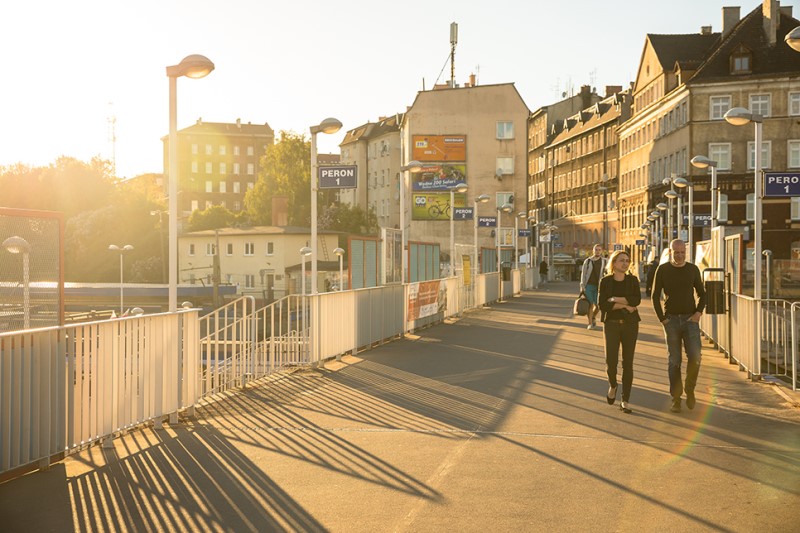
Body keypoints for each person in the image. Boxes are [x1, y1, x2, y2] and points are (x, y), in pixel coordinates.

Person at [652, 239, 706, 413]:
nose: (680, 255)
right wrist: (662, 319)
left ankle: (689, 389)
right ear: (670, 252)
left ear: (686, 252)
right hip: (671, 321)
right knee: (674, 361)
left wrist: (698, 313)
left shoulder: (692, 269)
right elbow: (654, 296)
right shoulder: (663, 270)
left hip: (690, 320)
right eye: (677, 252)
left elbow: (702, 294)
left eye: (683, 252)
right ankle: (676, 398)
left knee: (695, 356)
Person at [598, 250, 641, 414]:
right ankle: (613, 385)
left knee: (628, 362)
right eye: (622, 260)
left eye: (627, 260)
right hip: (611, 324)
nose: (625, 263)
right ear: (614, 263)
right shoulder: (606, 281)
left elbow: (636, 300)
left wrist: (614, 299)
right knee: (611, 361)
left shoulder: (633, 280)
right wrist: (625, 304)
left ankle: (625, 400)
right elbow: (603, 304)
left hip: (630, 325)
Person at [580, 244, 608, 330]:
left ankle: (593, 317)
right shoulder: (587, 261)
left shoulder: (605, 261)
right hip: (588, 286)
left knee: (598, 305)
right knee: (590, 305)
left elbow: (607, 272)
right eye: (596, 249)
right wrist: (582, 286)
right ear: (593, 250)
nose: (598, 251)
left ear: (602, 251)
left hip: (599, 286)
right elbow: (583, 274)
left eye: (599, 250)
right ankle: (590, 323)